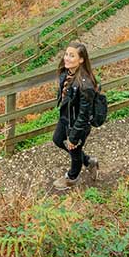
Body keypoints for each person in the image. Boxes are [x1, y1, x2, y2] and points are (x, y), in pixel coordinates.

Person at [52, 40, 100, 190]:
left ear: (81, 60)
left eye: (72, 56)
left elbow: (84, 115)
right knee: (58, 139)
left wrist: (74, 136)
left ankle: (72, 178)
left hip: (78, 124)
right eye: (66, 54)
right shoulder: (67, 72)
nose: (66, 58)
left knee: (74, 151)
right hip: (66, 117)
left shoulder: (85, 85)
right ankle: (88, 161)